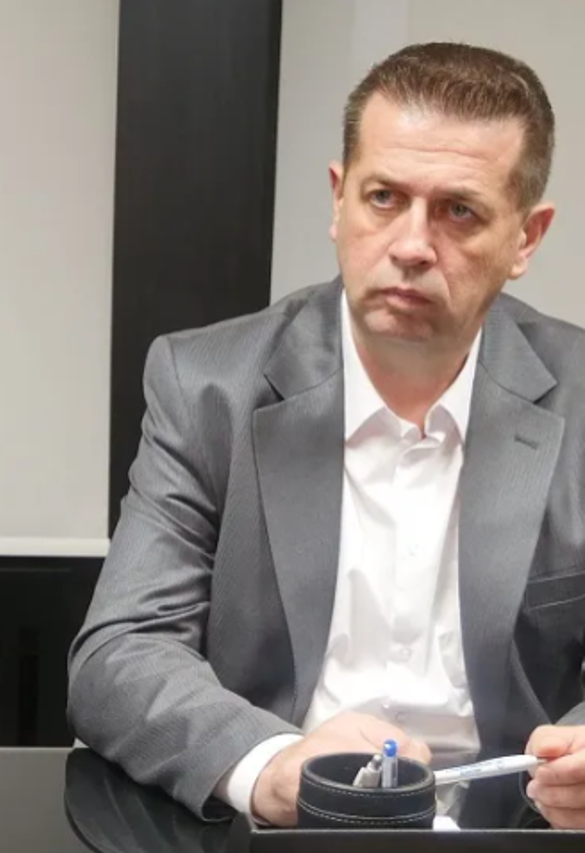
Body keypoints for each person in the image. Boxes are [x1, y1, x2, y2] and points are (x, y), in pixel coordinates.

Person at [67, 41, 585, 830]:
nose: (411, 245)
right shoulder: (208, 386)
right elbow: (120, 652)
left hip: (516, 830)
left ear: (527, 237)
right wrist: (271, 763)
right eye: (384, 198)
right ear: (339, 201)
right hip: (281, 831)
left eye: (459, 211)